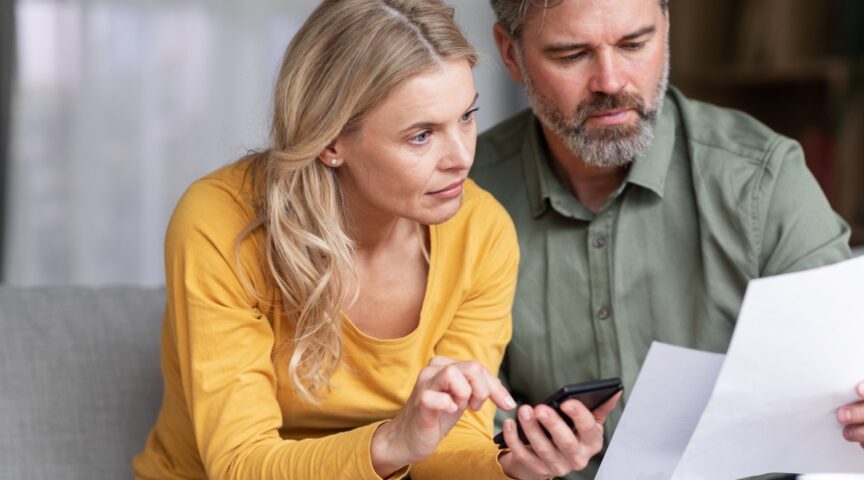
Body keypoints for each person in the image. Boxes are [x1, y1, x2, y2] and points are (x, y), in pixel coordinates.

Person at [132, 1, 614, 478]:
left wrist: (510, 468)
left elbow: (448, 445)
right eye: (421, 135)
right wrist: (395, 441)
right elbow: (240, 465)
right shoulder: (220, 223)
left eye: (467, 117)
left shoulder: (481, 230)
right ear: (331, 141)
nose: (462, 158)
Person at [470, 0, 864, 478]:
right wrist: (508, 461)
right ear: (511, 54)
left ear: (667, 26)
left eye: (635, 44)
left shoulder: (762, 178)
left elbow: (851, 417)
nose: (611, 82)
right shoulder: (461, 196)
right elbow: (460, 432)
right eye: (572, 54)